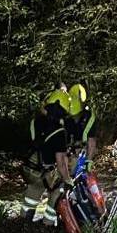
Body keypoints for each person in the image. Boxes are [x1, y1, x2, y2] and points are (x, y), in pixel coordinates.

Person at [21, 90, 74, 225]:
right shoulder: (60, 132)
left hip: (28, 168)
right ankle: (48, 223)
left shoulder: (35, 121)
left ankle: (23, 222)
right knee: (59, 190)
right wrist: (68, 180)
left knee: (32, 192)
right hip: (42, 174)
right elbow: (61, 162)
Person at [65, 83, 98, 163]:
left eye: (77, 115)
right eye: (73, 116)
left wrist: (88, 162)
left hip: (82, 150)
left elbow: (91, 142)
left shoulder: (89, 117)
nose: (75, 118)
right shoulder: (65, 116)